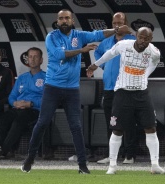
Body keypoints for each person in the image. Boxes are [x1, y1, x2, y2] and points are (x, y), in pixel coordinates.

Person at [20, 9, 131, 174]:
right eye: (61, 18)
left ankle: (82, 165)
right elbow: (59, 55)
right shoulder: (52, 37)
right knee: (42, 122)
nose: (64, 21)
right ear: (57, 21)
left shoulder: (78, 36)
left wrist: (115, 30)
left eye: (67, 18)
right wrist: (82, 50)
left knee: (76, 126)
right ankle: (30, 158)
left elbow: (97, 35)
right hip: (53, 87)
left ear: (72, 20)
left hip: (72, 89)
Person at [86, 27, 165, 174]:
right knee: (117, 130)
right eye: (141, 37)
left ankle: (155, 165)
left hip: (142, 93)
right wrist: (95, 65)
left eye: (147, 39)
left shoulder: (154, 52)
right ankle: (112, 165)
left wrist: (145, 75)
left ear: (151, 40)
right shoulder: (124, 45)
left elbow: (154, 63)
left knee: (151, 128)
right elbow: (109, 54)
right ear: (136, 36)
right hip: (123, 92)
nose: (143, 41)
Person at [0, 47, 46, 161]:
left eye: (36, 57)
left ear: (41, 60)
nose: (32, 59)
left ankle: (2, 151)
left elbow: (49, 100)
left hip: (34, 110)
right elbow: (12, 96)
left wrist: (31, 104)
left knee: (18, 122)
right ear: (27, 59)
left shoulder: (47, 78)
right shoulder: (22, 78)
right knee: (1, 121)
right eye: (30, 57)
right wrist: (15, 103)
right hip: (17, 108)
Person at [94, 12, 137, 164]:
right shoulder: (107, 41)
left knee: (128, 121)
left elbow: (145, 46)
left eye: (120, 23)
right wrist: (105, 65)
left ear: (126, 23)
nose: (117, 26)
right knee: (111, 122)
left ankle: (129, 155)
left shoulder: (132, 40)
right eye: (114, 23)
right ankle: (112, 155)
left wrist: (131, 31)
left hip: (126, 87)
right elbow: (98, 52)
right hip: (109, 87)